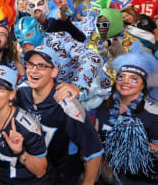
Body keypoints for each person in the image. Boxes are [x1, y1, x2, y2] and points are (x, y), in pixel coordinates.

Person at [16, 47, 103, 185]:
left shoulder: (68, 106)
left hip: (61, 177)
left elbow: (94, 152)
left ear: (54, 72)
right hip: (32, 173)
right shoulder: (22, 91)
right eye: (31, 65)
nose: (33, 70)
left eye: (41, 66)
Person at [96, 53, 158, 184]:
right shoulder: (102, 103)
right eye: (121, 77)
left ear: (143, 85)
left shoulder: (153, 112)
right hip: (105, 172)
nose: (125, 82)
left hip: (139, 178)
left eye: (133, 78)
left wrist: (141, 145)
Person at [0, 65, 48, 184]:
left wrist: (21, 152)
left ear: (12, 94)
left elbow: (41, 171)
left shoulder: (27, 125)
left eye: (1, 88)